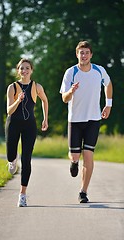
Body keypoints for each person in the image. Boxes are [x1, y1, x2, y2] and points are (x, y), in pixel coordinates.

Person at [60, 41, 113, 203]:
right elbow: (64, 98)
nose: (83, 55)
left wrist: (108, 104)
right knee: (75, 155)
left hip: (93, 119)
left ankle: (83, 191)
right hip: (75, 120)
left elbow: (109, 84)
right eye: (81, 52)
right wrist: (71, 91)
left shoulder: (99, 70)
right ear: (77, 54)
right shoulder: (71, 72)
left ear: (91, 55)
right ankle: (74, 162)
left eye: (86, 52)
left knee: (88, 155)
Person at [5, 58, 48, 207]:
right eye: (22, 68)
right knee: (11, 154)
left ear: (31, 70)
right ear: (18, 71)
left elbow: (45, 100)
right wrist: (18, 100)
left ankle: (22, 194)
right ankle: (12, 159)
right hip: (13, 124)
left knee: (27, 158)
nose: (24, 71)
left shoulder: (37, 87)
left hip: (29, 125)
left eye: (27, 68)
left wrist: (45, 119)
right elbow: (9, 111)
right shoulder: (12, 87)